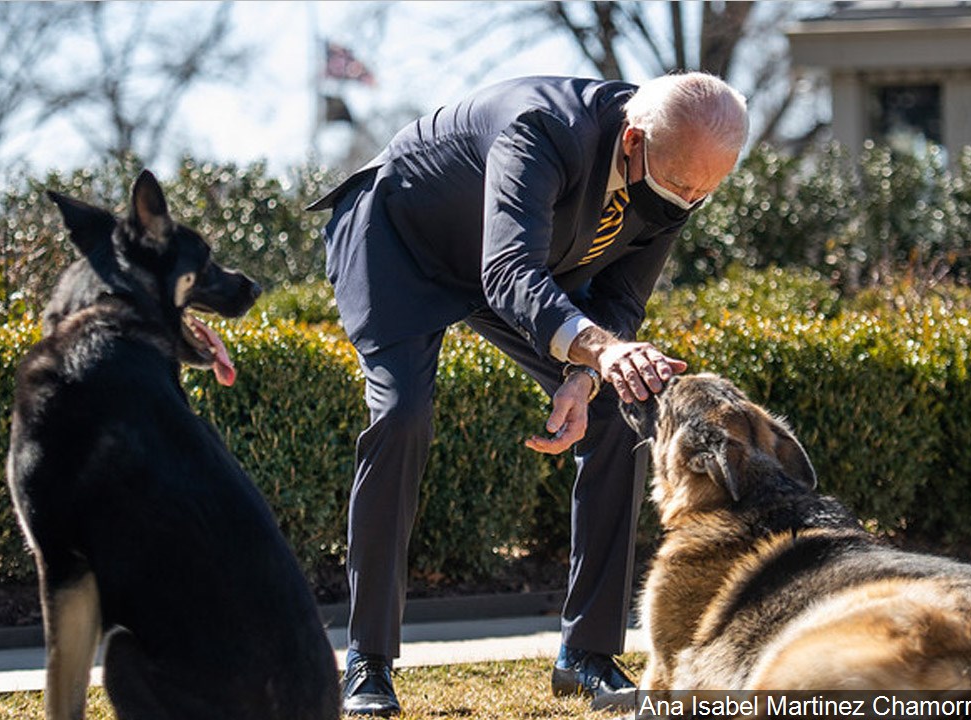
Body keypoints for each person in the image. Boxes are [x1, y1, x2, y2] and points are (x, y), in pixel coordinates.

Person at [306, 72, 748, 716]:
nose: (688, 201)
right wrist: (599, 348)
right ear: (631, 141)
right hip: (398, 240)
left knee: (618, 416)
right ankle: (368, 662)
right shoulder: (542, 129)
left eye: (705, 191)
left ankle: (586, 656)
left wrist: (586, 375)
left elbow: (621, 298)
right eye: (681, 187)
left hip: (512, 269)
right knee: (401, 415)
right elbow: (508, 270)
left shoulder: (678, 165)